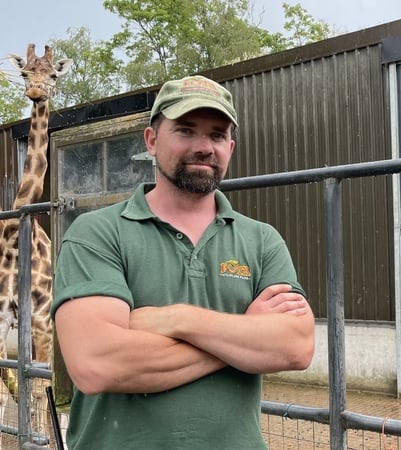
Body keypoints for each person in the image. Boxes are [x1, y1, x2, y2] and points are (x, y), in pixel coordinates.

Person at [51, 75, 315, 450]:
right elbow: (96, 364)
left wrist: (176, 319)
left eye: (218, 135)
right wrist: (245, 336)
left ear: (231, 147)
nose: (204, 147)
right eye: (186, 130)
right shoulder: (96, 233)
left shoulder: (261, 240)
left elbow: (295, 348)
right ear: (152, 140)